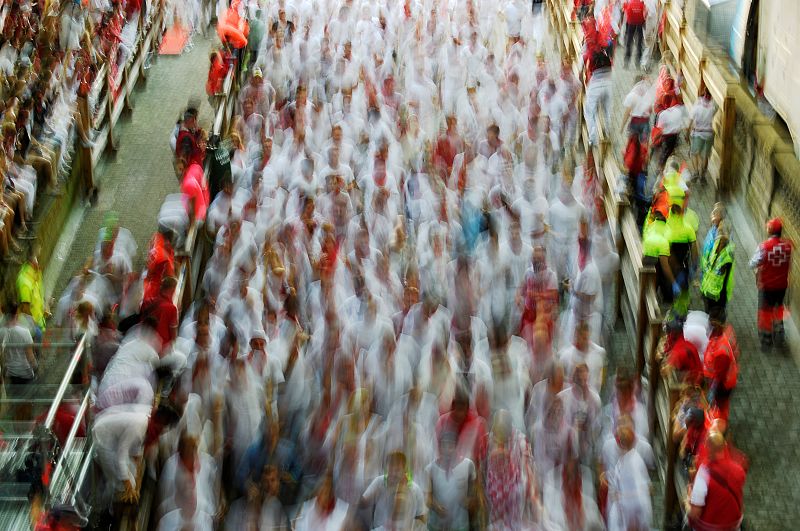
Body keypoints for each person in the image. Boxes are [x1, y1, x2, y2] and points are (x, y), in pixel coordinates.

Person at [686, 431, 747, 531]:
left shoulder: (704, 473)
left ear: (708, 448)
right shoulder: (739, 470)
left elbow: (695, 513)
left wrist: (689, 499)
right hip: (733, 526)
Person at [750, 217, 793, 349]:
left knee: (765, 312)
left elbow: (752, 263)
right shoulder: (787, 247)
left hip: (767, 286)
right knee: (778, 308)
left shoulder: (764, 247)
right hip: (781, 286)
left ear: (769, 230)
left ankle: (766, 340)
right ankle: (779, 333)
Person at [700, 226, 734, 320]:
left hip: (718, 296)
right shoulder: (713, 247)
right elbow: (707, 266)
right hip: (707, 291)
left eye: (723, 237)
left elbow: (722, 276)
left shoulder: (727, 258)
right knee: (707, 317)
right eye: (720, 236)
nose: (720, 239)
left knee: (716, 320)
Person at [687, 87, 716, 182]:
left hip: (698, 133)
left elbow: (691, 120)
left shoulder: (698, 105)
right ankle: (702, 175)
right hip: (709, 134)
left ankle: (695, 172)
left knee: (694, 153)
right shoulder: (713, 106)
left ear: (703, 93)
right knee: (705, 156)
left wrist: (687, 133)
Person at [17, 245, 46, 332]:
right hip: (34, 326)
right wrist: (34, 326)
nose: (38, 263)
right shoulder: (24, 282)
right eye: (36, 257)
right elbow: (25, 308)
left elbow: (38, 291)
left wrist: (43, 306)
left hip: (39, 319)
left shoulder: (35, 271)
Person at [622, 0, 647, 68]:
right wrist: (642, 21)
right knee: (639, 44)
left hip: (631, 24)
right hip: (639, 24)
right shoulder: (642, 4)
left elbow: (626, 12)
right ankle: (638, 62)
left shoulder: (629, 3)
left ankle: (626, 62)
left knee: (629, 43)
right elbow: (645, 14)